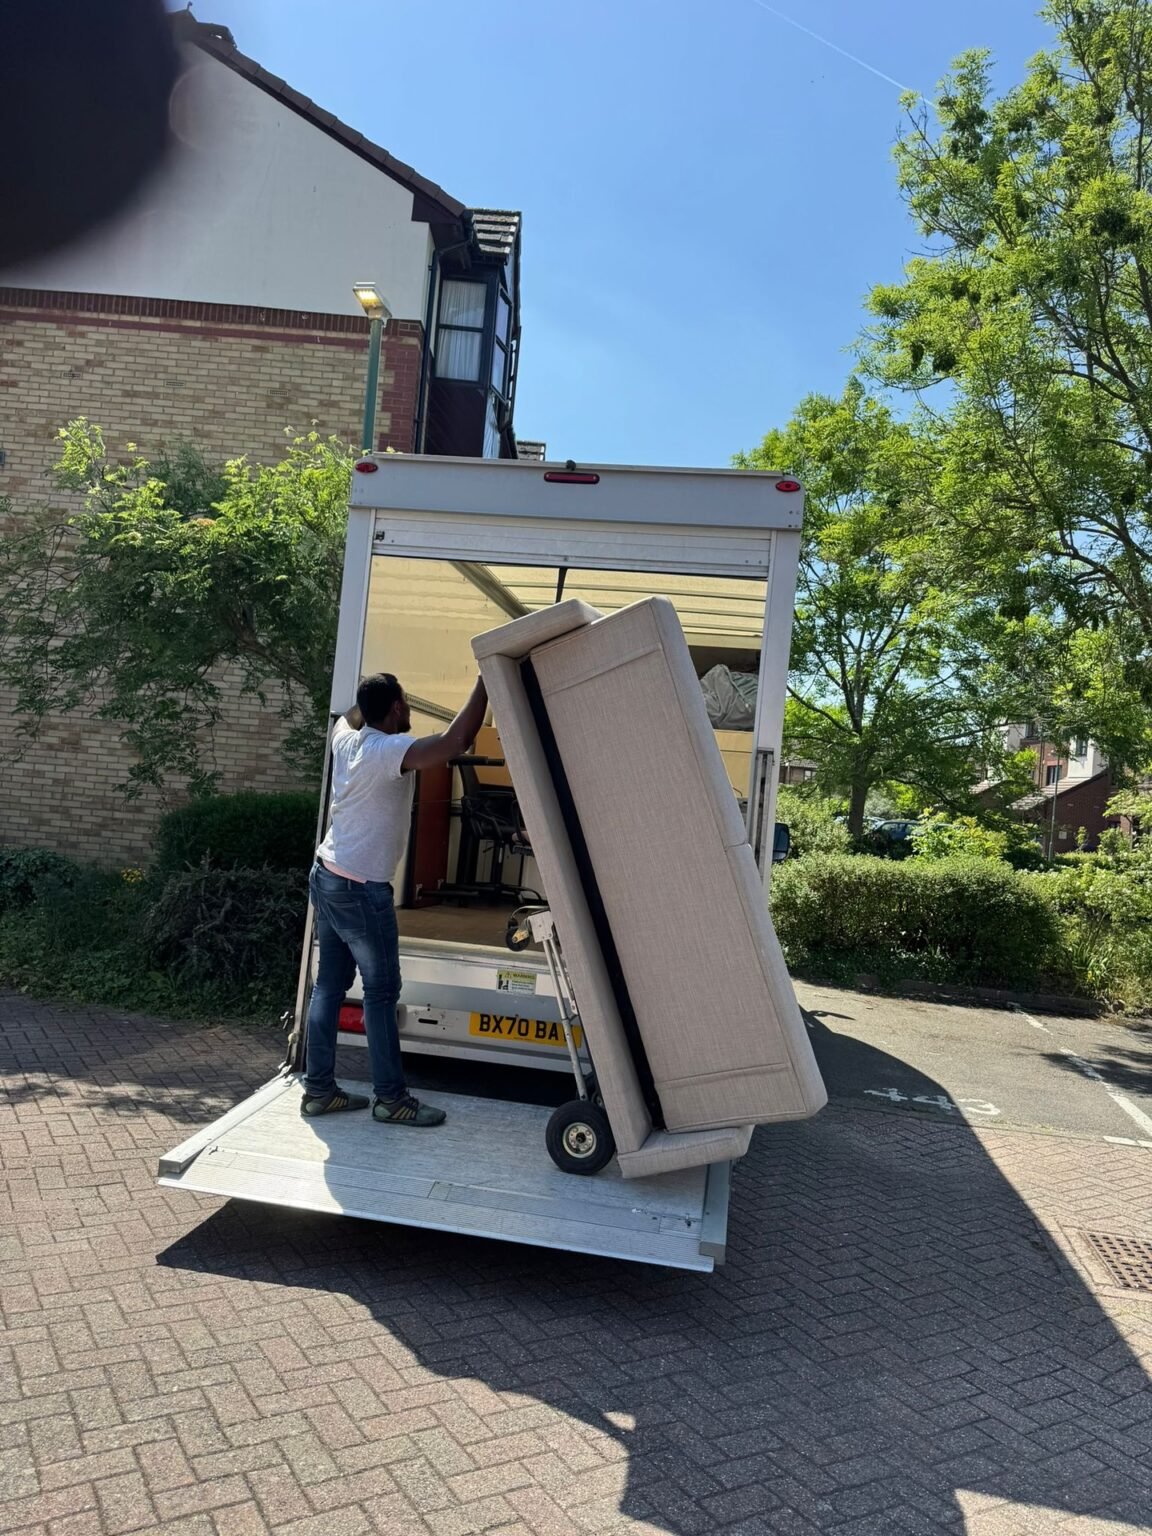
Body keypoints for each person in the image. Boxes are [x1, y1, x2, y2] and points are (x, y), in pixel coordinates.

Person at [302, 671, 488, 1125]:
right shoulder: (387, 752)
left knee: (328, 987)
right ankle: (391, 1099)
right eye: (404, 703)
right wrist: (488, 677)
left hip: (327, 875)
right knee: (382, 994)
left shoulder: (346, 739)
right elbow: (457, 739)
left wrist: (365, 700)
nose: (408, 709)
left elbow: (347, 717)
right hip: (361, 891)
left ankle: (320, 1091)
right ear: (397, 710)